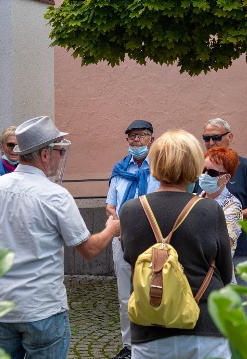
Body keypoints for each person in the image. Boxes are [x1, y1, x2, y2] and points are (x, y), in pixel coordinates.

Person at [0, 116, 120, 359]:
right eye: (59, 152)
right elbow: (88, 250)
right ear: (44, 155)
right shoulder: (55, 195)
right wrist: (110, 230)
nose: (61, 157)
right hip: (41, 308)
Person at [121, 129, 232, 359]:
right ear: (194, 165)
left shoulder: (130, 211)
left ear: (155, 164)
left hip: (150, 328)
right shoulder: (210, 210)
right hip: (204, 328)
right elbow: (225, 271)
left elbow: (130, 261)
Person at [196, 118, 247, 313]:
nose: (211, 142)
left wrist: (229, 216)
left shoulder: (246, 167)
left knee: (243, 308)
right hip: (203, 256)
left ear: (230, 137)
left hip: (240, 251)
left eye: (216, 137)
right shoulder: (201, 167)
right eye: (206, 138)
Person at [106, 120, 160, 359]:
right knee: (125, 296)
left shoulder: (160, 168)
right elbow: (110, 204)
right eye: (132, 137)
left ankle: (153, 341)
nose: (136, 141)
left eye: (142, 136)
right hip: (123, 238)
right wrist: (117, 219)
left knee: (153, 290)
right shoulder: (119, 170)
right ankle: (129, 346)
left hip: (153, 239)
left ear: (152, 139)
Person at [199, 146, 242, 284]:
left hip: (219, 280)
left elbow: (223, 246)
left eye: (212, 172)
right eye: (203, 170)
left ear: (226, 178)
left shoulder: (233, 206)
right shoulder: (193, 199)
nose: (205, 175)